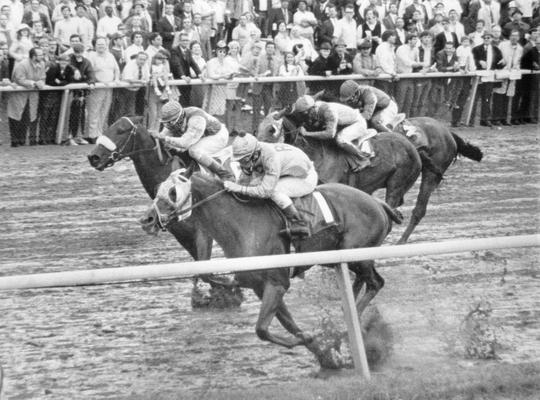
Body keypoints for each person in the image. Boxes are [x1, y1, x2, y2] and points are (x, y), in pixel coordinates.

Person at [224, 132, 317, 238]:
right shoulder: (256, 151)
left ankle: (298, 223)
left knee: (274, 191)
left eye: (244, 160)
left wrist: (239, 188)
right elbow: (245, 180)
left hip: (304, 178)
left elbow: (265, 191)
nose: (241, 163)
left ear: (254, 154)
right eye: (239, 160)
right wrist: (237, 188)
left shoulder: (271, 157)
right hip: (286, 171)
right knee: (253, 185)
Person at [152, 100, 233, 180]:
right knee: (172, 146)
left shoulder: (196, 119)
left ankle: (224, 174)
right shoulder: (175, 120)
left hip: (217, 135)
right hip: (200, 135)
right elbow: (162, 137)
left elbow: (185, 143)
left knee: (194, 151)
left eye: (171, 121)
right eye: (167, 122)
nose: (168, 125)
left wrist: (164, 138)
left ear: (180, 117)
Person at [292, 95, 373, 171]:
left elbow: (330, 134)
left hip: (358, 123)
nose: (306, 115)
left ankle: (364, 159)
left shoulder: (328, 110)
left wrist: (307, 133)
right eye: (302, 113)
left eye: (306, 113)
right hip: (344, 124)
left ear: (312, 108)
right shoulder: (314, 108)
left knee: (340, 139)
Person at [8, 46, 46, 147]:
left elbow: (43, 77)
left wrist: (41, 83)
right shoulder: (22, 65)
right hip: (19, 95)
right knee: (16, 117)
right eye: (40, 55)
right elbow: (19, 79)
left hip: (32, 96)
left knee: (28, 117)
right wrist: (33, 83)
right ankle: (15, 141)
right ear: (33, 56)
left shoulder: (42, 64)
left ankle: (22, 140)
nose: (42, 56)